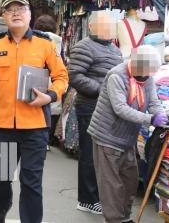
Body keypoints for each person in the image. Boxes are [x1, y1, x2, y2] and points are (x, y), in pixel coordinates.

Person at [0, 0, 69, 223]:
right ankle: (2, 207)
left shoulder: (45, 44)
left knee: (31, 182)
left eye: (20, 9)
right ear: (3, 15)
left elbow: (62, 76)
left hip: (35, 127)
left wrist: (51, 96)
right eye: (10, 9)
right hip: (3, 127)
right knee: (0, 177)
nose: (15, 13)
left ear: (29, 14)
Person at [88, 45, 168, 223]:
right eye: (147, 71)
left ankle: (124, 217)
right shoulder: (117, 76)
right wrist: (150, 119)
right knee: (111, 185)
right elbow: (120, 108)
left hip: (126, 138)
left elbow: (153, 102)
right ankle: (115, 220)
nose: (149, 76)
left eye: (151, 73)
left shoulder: (147, 78)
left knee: (129, 181)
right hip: (107, 136)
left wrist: (160, 114)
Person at [67, 11, 122, 215]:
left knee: (104, 156)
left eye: (111, 26)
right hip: (90, 107)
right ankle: (87, 199)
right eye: (105, 25)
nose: (109, 29)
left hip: (109, 109)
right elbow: (75, 76)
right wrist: (103, 89)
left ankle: (98, 196)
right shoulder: (84, 46)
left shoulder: (115, 49)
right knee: (90, 155)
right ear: (91, 27)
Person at [33, 14, 64, 151]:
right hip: (52, 78)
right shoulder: (58, 41)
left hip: (37, 76)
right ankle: (45, 141)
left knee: (35, 107)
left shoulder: (34, 38)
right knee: (49, 109)